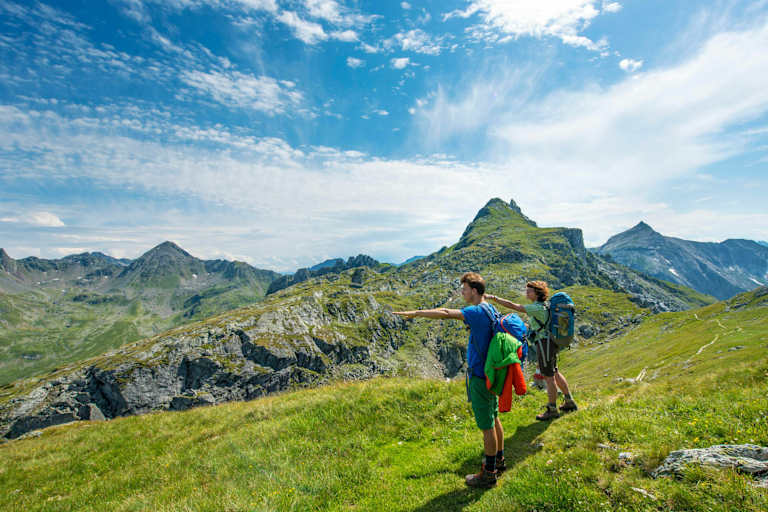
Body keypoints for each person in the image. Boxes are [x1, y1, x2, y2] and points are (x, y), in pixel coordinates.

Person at [394, 272, 504, 489]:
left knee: (486, 425)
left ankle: (489, 473)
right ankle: (499, 460)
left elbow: (445, 313)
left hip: (480, 375)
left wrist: (416, 313)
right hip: (492, 373)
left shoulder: (475, 311)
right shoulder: (490, 308)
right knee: (494, 417)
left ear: (474, 290)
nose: (461, 293)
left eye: (464, 289)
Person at [486, 281, 578, 421]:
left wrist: (495, 298)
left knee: (549, 377)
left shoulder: (537, 307)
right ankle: (569, 401)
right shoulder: (544, 306)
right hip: (549, 342)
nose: (526, 293)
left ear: (537, 293)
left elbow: (514, 306)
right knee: (555, 372)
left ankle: (552, 409)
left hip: (544, 343)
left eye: (529, 291)